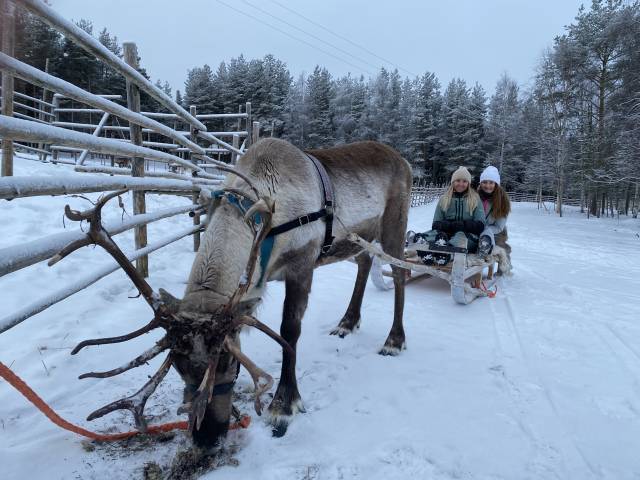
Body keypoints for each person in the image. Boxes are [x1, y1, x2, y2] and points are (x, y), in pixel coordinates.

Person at [414, 166, 485, 265]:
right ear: (453, 182)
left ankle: (445, 253)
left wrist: (463, 225)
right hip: (445, 233)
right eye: (458, 181)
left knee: (459, 237)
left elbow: (480, 224)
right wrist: (448, 225)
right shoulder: (444, 199)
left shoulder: (475, 199)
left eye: (464, 181)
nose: (460, 184)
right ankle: (424, 245)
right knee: (434, 234)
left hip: (467, 235)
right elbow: (435, 223)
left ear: (468, 183)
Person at [477, 166, 512, 271]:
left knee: (501, 248)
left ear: (496, 184)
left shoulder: (503, 201)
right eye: (485, 182)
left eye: (491, 182)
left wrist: (485, 230)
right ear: (480, 183)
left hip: (496, 232)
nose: (487, 186)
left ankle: (505, 267)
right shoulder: (475, 196)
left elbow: (499, 227)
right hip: (476, 229)